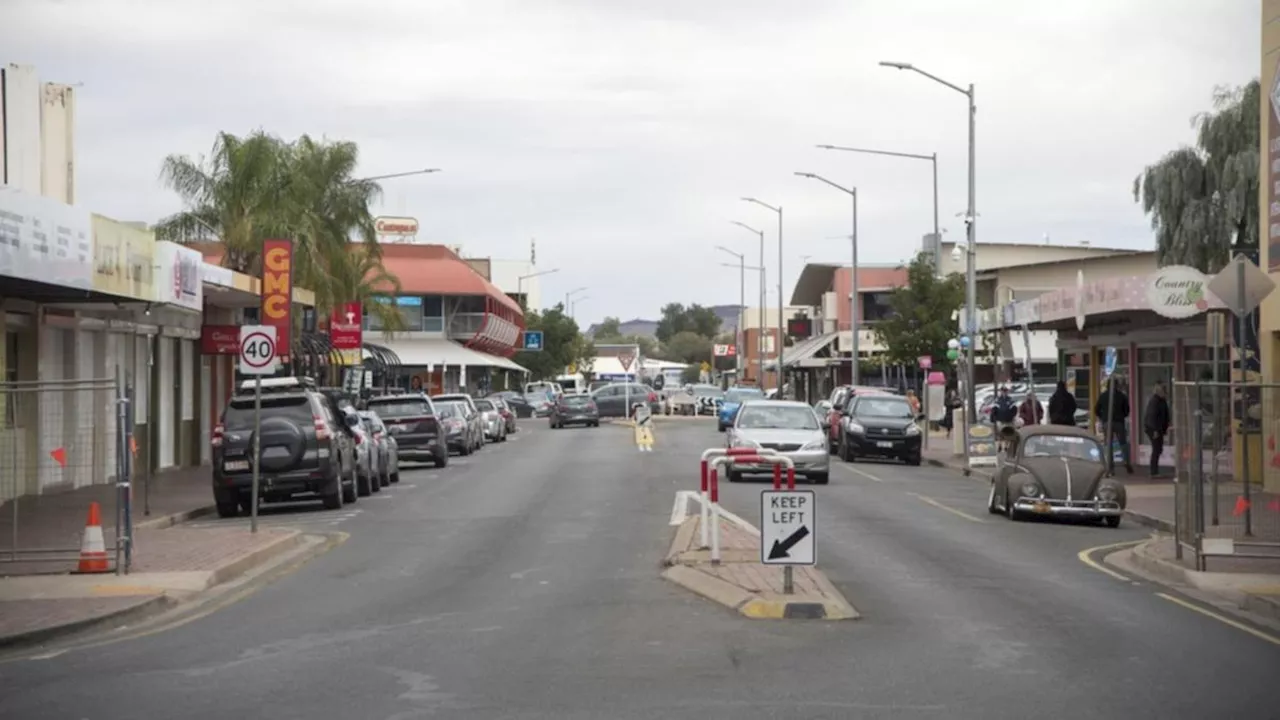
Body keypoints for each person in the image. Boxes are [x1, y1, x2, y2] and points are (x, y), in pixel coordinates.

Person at [1095, 378, 1133, 475]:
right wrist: (1122, 415)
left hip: (1107, 422)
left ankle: (1110, 467)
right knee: (1123, 443)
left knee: (1108, 444)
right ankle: (1126, 461)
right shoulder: (1122, 396)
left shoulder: (1103, 396)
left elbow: (1096, 409)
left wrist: (1103, 417)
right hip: (1119, 422)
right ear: (1117, 385)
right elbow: (1127, 410)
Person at [1144, 381, 1171, 477]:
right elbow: (1152, 416)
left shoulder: (1161, 400)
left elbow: (1164, 414)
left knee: (1158, 448)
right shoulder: (1155, 401)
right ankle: (1153, 471)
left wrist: (1166, 425)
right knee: (1156, 448)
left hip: (1158, 428)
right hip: (1153, 428)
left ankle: (1154, 470)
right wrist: (1155, 430)